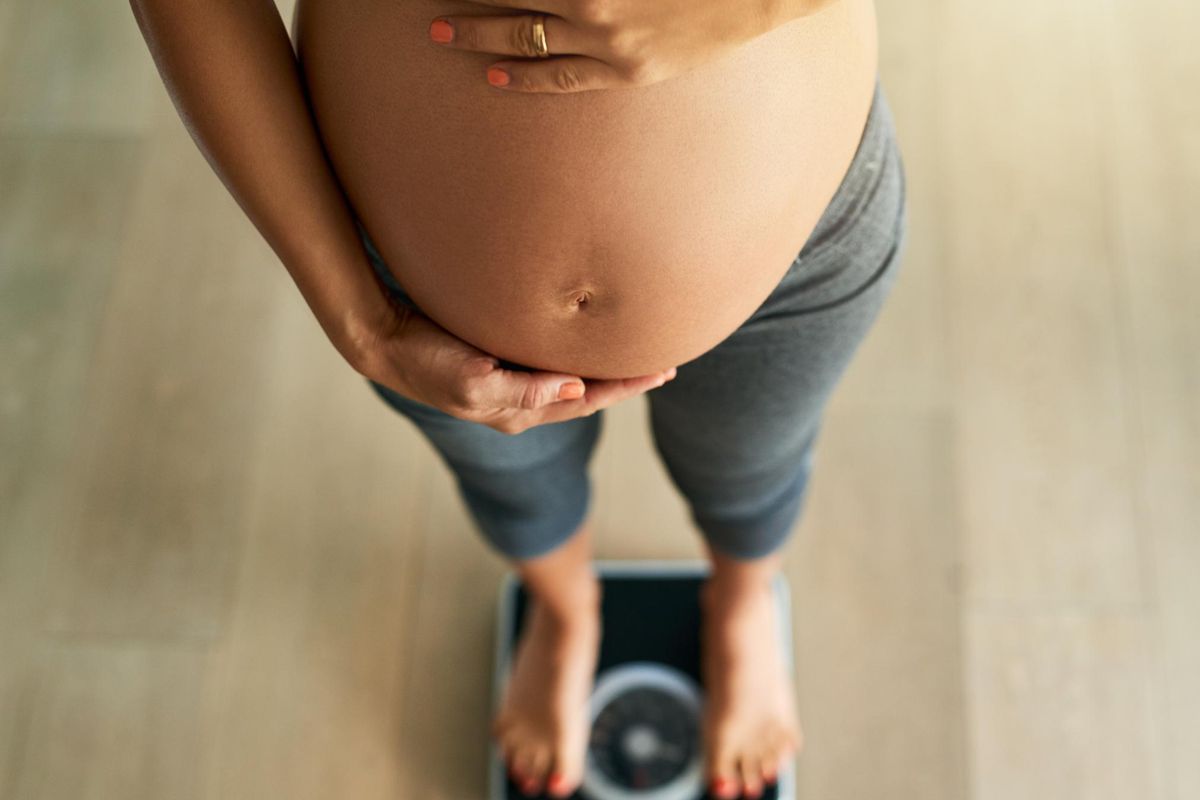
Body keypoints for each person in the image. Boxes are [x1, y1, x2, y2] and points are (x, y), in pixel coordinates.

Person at [130, 1, 906, 798]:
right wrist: (361, 322)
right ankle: (565, 611)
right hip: (411, 267)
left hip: (804, 218)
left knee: (751, 462)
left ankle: (742, 607)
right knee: (511, 479)